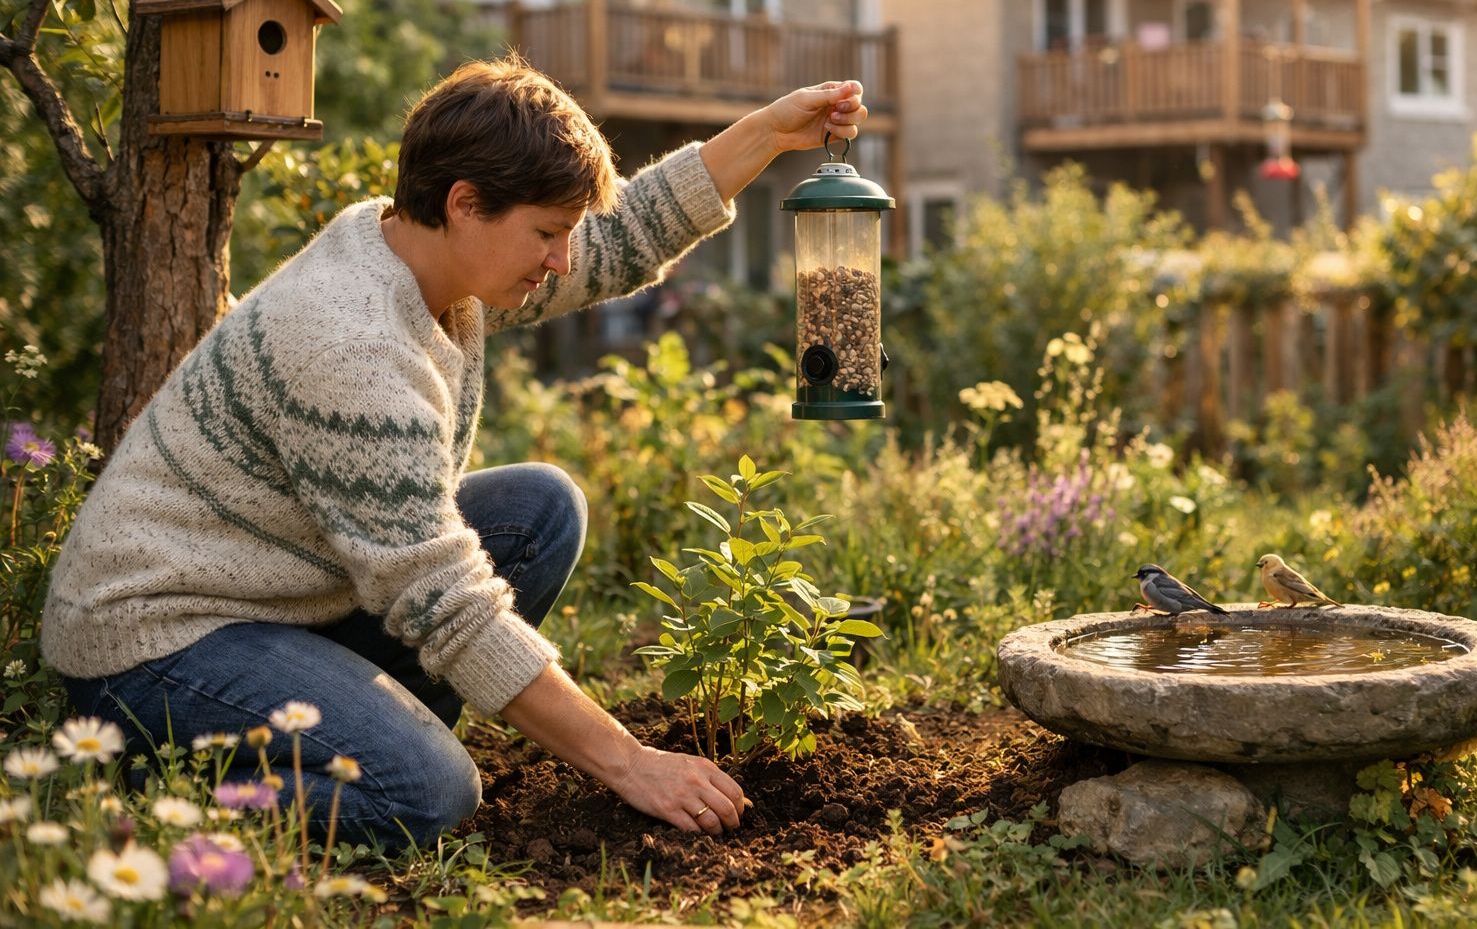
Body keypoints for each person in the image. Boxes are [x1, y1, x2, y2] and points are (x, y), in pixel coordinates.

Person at [40, 56, 867, 849]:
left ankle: (369, 728)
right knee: (427, 794)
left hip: (275, 599)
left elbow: (624, 238)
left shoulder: (420, 253)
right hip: (160, 644)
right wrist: (631, 763)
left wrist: (767, 131)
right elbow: (447, 603)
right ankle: (155, 793)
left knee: (539, 509)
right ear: (465, 203)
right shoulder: (350, 344)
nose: (564, 260)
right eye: (548, 233)